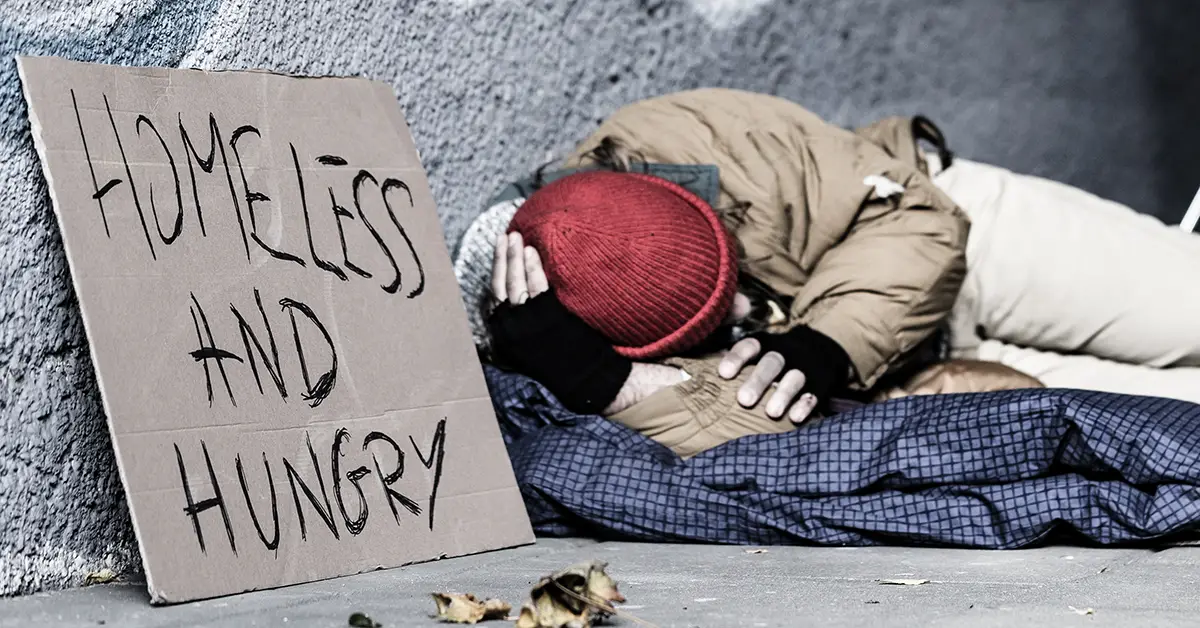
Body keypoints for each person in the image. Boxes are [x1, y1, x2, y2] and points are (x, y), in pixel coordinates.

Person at [455, 88, 1198, 458]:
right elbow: (741, 429)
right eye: (720, 312)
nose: (747, 304)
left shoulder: (692, 138)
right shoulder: (574, 339)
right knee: (1179, 423)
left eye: (731, 272)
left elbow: (922, 220)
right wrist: (606, 385)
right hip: (913, 385)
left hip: (960, 240)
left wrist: (825, 343)